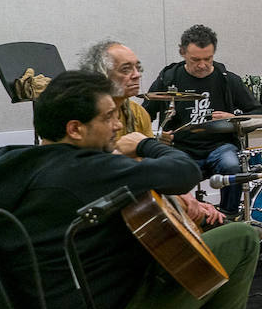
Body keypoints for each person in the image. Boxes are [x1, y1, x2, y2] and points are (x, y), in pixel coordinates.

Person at [0, 71, 262, 309]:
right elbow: (184, 173)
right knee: (241, 237)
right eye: (108, 117)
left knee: (164, 259)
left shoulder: (6, 162)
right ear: (75, 129)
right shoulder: (91, 169)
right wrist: (145, 144)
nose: (118, 125)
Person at [79, 39, 223, 227]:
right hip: (112, 215)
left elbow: (151, 167)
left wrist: (187, 199)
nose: (137, 75)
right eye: (126, 70)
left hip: (144, 201)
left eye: (138, 68)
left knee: (217, 221)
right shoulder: (87, 116)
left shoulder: (139, 114)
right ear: (101, 76)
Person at [144, 25, 262, 217]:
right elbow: (143, 116)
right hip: (180, 147)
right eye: (195, 60)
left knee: (232, 165)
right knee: (164, 169)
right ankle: (179, 219)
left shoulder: (227, 80)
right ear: (182, 53)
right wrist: (157, 136)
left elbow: (258, 113)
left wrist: (235, 119)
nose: (202, 65)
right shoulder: (168, 79)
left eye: (208, 59)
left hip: (220, 146)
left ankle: (229, 215)